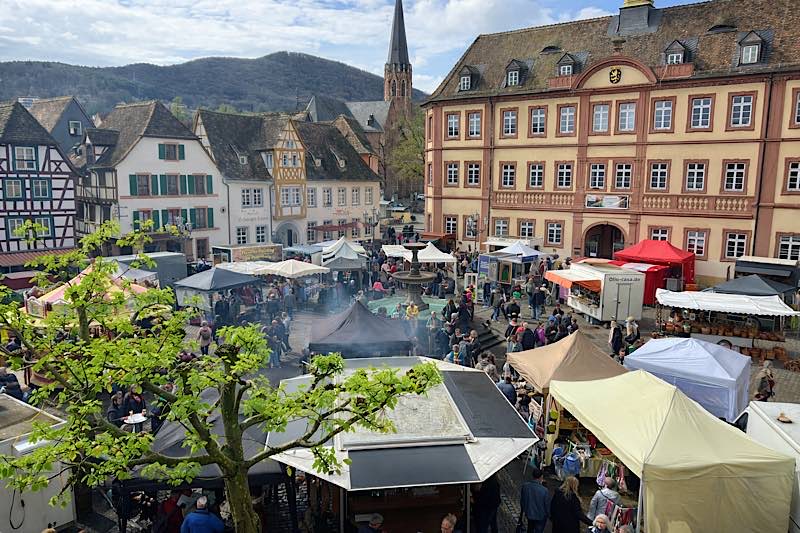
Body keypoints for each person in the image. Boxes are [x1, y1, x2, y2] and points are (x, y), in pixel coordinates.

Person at [520, 467, 550, 533]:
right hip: (540, 516)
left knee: (530, 529)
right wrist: (549, 515)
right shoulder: (544, 490)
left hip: (529, 514)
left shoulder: (525, 486)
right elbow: (547, 505)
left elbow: (522, 500)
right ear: (541, 477)